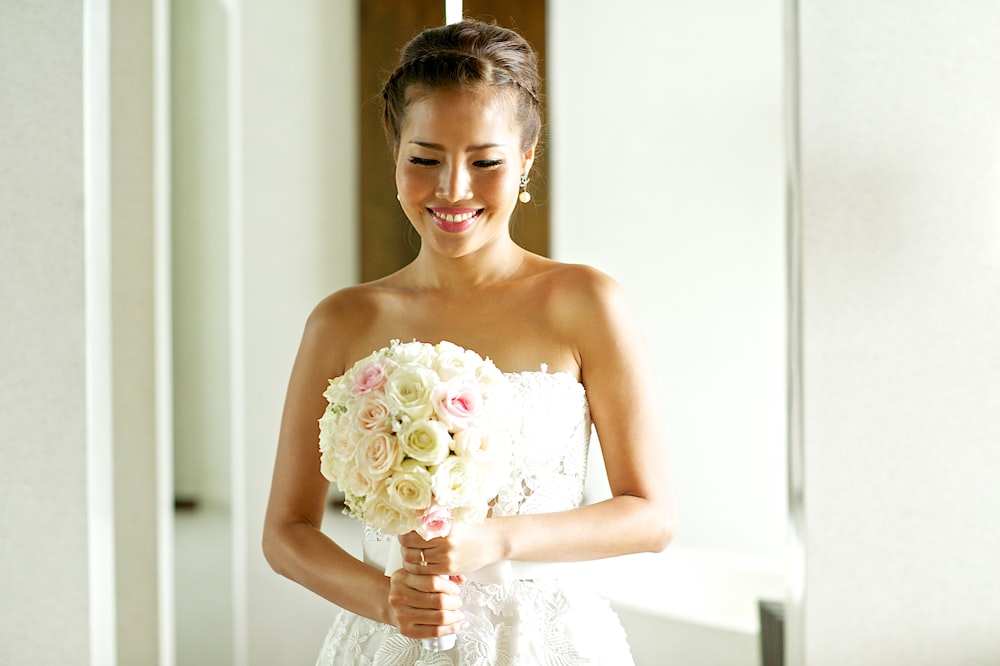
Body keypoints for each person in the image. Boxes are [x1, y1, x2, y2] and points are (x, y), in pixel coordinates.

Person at [263, 19, 676, 665]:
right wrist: (385, 600)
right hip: (393, 643)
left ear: (526, 162)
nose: (453, 189)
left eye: (485, 162)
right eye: (425, 159)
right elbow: (286, 533)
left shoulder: (584, 301)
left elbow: (651, 517)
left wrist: (497, 539)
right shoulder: (343, 320)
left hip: (547, 644)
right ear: (395, 154)